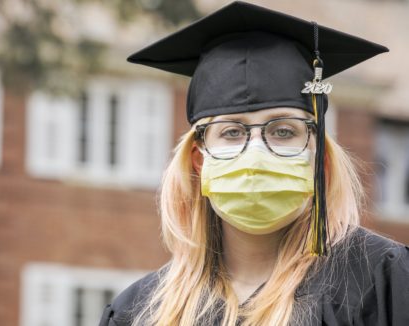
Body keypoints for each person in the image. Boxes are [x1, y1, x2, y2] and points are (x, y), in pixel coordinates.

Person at [99, 2, 409, 325]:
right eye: (232, 132)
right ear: (198, 160)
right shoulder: (139, 311)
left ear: (317, 154)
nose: (257, 153)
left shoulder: (381, 283)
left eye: (284, 131)